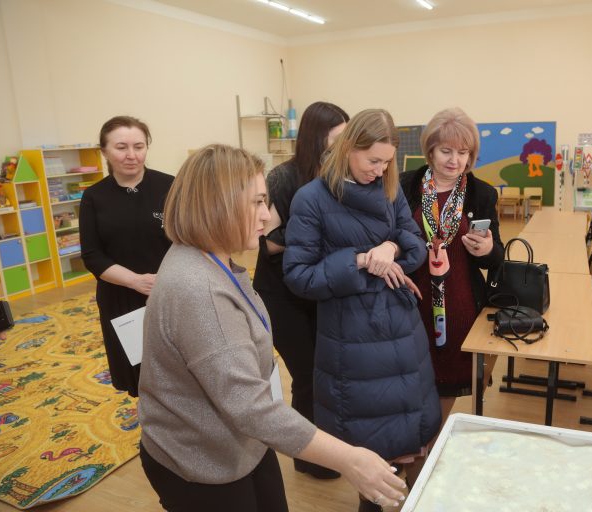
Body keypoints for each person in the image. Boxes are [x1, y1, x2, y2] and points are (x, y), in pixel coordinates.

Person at [138, 144, 406, 512]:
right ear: (217, 206)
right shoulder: (200, 292)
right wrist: (349, 459)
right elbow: (251, 407)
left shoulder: (207, 258)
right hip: (202, 463)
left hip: (240, 443)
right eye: (257, 203)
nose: (267, 216)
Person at [283, 109, 441, 511]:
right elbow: (299, 276)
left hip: (403, 331)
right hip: (352, 339)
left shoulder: (389, 188)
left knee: (410, 436)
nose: (380, 170)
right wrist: (359, 260)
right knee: (371, 449)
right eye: (373, 160)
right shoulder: (312, 198)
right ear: (348, 148)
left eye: (387, 162)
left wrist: (390, 247)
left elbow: (415, 243)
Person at [253, 101, 349, 480]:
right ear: (316, 136)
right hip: (282, 295)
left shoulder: (338, 174)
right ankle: (308, 457)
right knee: (307, 375)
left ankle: (322, 447)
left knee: (325, 374)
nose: (345, 145)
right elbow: (266, 243)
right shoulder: (283, 178)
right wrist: (314, 230)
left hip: (318, 289)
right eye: (338, 137)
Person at [399, 107, 505, 426]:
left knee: (444, 389)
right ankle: (417, 443)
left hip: (459, 307)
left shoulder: (481, 194)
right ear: (430, 149)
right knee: (409, 383)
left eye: (463, 152)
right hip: (410, 304)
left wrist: (487, 249)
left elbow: (496, 258)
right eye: (446, 151)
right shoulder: (404, 186)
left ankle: (430, 443)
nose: (454, 161)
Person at [80, 115, 174, 398]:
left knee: (178, 368)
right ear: (104, 151)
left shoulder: (170, 186)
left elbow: (189, 238)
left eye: (139, 146)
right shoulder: (94, 197)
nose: (132, 155)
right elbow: (92, 256)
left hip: (170, 291)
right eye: (121, 147)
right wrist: (135, 281)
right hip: (120, 296)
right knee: (139, 373)